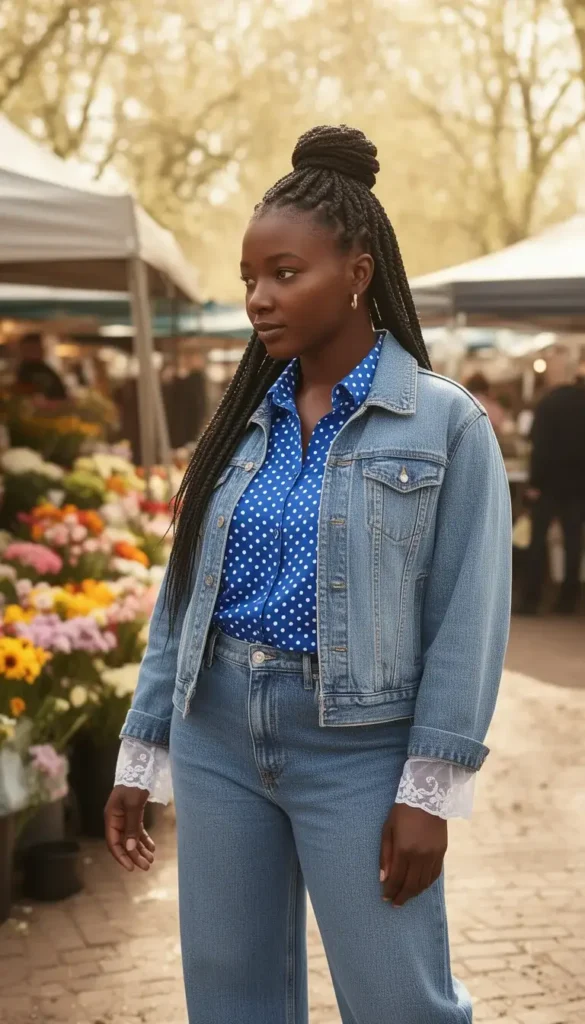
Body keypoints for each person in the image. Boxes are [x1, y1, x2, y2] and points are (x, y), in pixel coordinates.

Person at [105, 126, 512, 1024]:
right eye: (250, 278)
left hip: (358, 745)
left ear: (357, 271)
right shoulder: (239, 424)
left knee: (400, 1002)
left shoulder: (444, 423)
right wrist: (145, 748)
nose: (258, 298)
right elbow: (186, 598)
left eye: (285, 274)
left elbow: (468, 618)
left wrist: (429, 786)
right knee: (231, 998)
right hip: (215, 734)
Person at [519, 361, 585, 615]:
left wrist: (534, 483)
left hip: (546, 484)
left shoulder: (548, 403)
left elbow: (538, 446)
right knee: (572, 542)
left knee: (538, 542)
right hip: (578, 485)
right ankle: (568, 600)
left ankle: (531, 599)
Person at [15, 332, 68, 400]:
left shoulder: (45, 368)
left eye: (40, 347)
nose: (41, 350)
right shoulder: (24, 370)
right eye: (32, 348)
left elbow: (60, 392)